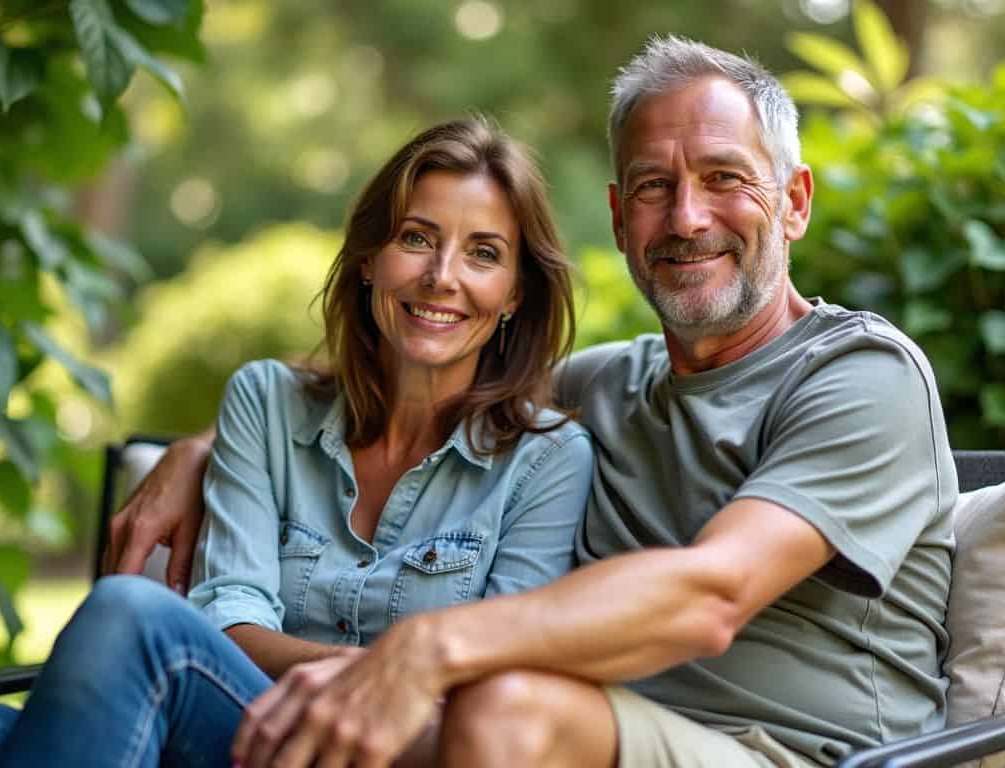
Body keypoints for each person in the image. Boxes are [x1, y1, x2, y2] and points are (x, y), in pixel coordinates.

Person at [104, 36, 958, 768]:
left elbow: (712, 595)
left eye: (725, 177)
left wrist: (430, 649)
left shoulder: (859, 376)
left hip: (802, 753)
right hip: (605, 737)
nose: (688, 216)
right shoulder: (605, 386)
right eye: (654, 187)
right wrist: (205, 449)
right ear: (621, 220)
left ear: (795, 201)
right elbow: (418, 377)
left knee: (503, 704)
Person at [0, 116, 594, 768]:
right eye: (416, 237)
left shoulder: (548, 461)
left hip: (391, 752)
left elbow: (487, 684)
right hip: (235, 731)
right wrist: (386, 669)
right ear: (367, 260)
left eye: (483, 253)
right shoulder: (265, 402)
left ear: (515, 295)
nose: (442, 276)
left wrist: (375, 681)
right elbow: (229, 619)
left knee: (128, 615)